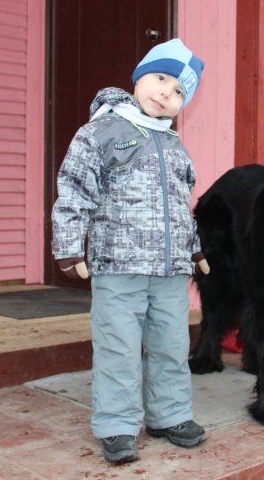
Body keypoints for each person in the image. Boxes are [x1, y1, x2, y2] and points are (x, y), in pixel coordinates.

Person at [52, 38, 209, 464]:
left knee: (171, 344)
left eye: (179, 91)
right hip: (118, 266)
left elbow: (182, 206)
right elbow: (74, 191)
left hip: (170, 271)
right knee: (119, 346)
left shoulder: (175, 145)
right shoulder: (101, 133)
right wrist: (69, 245)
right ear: (139, 77)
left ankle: (170, 415)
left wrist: (194, 250)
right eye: (160, 79)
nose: (166, 93)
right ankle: (118, 426)